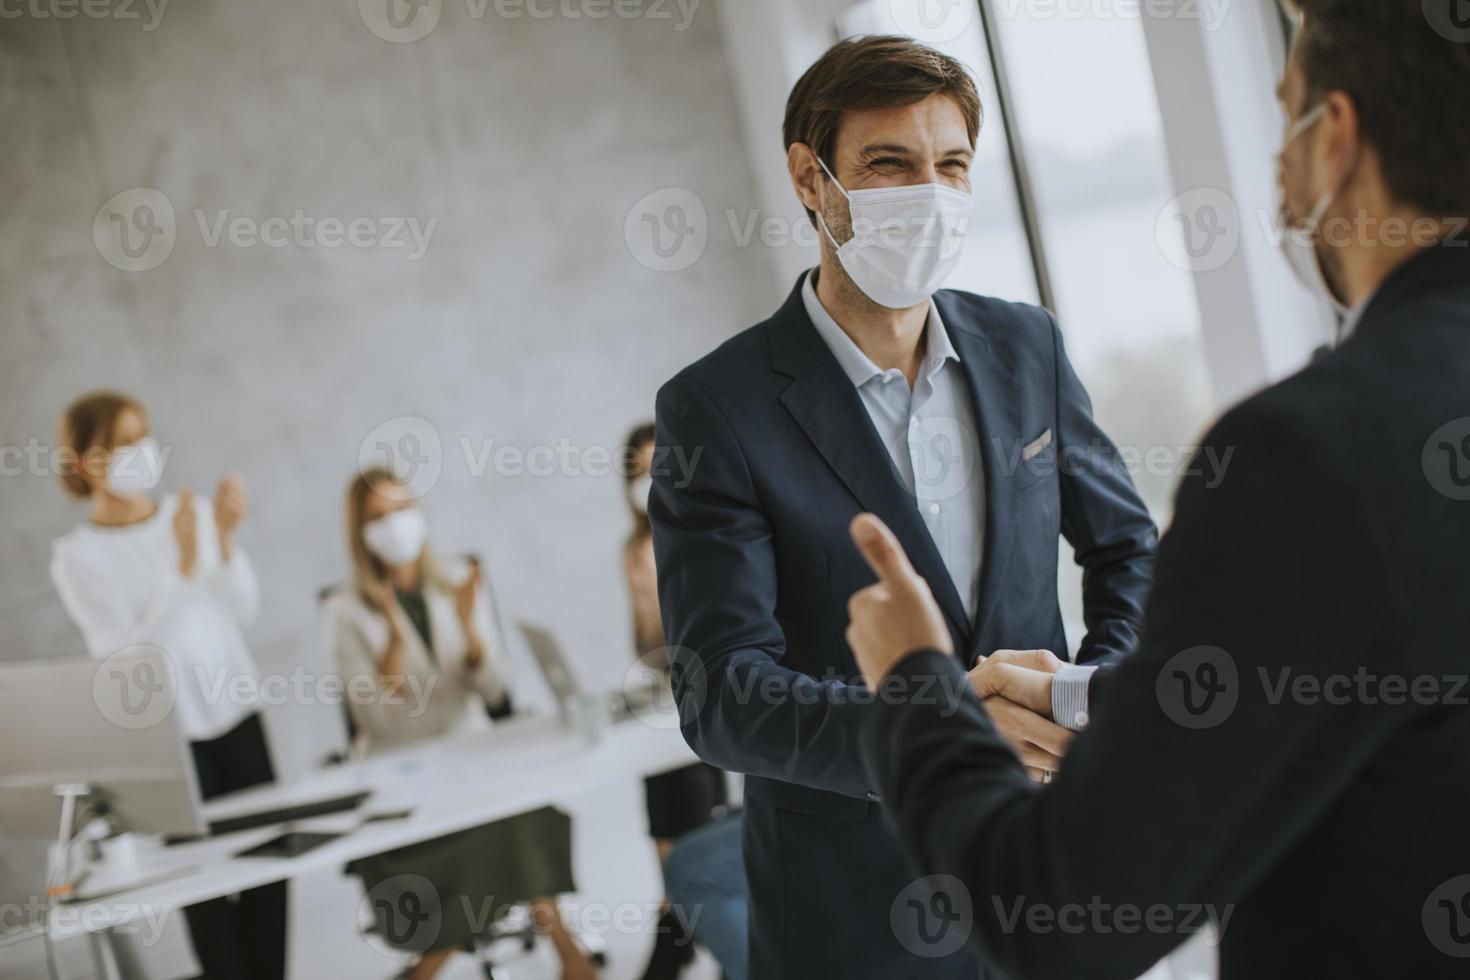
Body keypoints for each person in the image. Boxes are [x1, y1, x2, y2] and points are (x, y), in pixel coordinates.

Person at [846, 3, 1470, 978]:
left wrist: (914, 683)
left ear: (1336, 138)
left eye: (1286, 113)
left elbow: (1060, 913)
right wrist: (1088, 694)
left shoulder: (1308, 451)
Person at [648, 36, 1157, 978]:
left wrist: (1089, 700)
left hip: (1049, 861)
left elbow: (1129, 550)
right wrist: (930, 729)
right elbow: (719, 695)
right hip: (853, 907)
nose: (929, 193)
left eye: (951, 165)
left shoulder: (1026, 345)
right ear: (811, 178)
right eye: (890, 164)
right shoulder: (713, 409)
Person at [324, 467, 600, 980]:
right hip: (406, 785)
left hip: (474, 764)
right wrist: (393, 644)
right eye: (378, 517)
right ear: (359, 532)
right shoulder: (345, 611)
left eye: (402, 509)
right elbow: (374, 720)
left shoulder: (455, 581)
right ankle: (569, 957)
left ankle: (431, 970)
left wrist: (474, 632)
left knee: (523, 812)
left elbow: (494, 691)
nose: (394, 525)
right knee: (510, 827)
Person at [48, 391, 286, 980]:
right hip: (168, 744)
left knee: (270, 880)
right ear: (84, 461)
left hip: (238, 718)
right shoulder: (77, 558)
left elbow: (243, 607)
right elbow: (126, 662)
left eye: (142, 435)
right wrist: (181, 568)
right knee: (203, 897)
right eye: (120, 441)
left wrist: (224, 539)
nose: (139, 450)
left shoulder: (193, 513)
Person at [620, 424, 745, 980]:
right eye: (635, 472)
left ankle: (677, 925)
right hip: (673, 695)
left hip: (717, 696)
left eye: (655, 467)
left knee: (684, 772)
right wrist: (645, 590)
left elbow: (713, 636)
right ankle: (677, 921)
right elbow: (651, 650)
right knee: (660, 773)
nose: (646, 482)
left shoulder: (710, 532)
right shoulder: (636, 551)